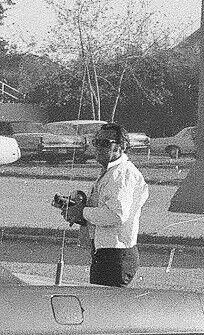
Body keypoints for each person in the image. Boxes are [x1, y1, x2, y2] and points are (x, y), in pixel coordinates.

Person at [59, 122, 150, 287]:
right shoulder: (110, 172)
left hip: (116, 256)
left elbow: (116, 215)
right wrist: (78, 213)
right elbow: (103, 211)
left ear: (121, 147)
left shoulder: (121, 174)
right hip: (106, 253)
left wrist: (83, 212)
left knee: (105, 310)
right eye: (96, 142)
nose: (99, 147)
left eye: (105, 143)